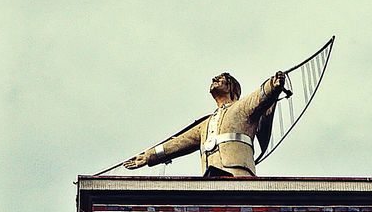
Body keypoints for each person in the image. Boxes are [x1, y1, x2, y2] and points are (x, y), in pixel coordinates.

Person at [122, 70, 291, 179]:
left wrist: (274, 84)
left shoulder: (242, 107)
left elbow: (260, 96)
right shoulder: (206, 123)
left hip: (238, 174)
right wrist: (149, 155)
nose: (214, 79)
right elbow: (179, 142)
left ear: (232, 87)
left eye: (221, 79)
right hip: (211, 176)